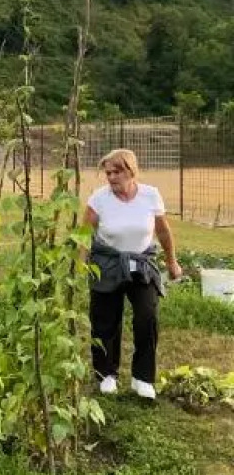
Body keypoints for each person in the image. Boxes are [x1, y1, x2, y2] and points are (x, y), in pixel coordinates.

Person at [82, 148, 183, 400]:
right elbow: (82, 237)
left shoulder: (150, 196)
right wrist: (79, 267)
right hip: (108, 264)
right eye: (108, 173)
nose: (111, 177)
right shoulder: (99, 198)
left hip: (141, 263)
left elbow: (163, 232)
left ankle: (142, 378)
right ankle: (106, 375)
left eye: (117, 172)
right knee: (105, 320)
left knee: (146, 317)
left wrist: (172, 262)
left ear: (131, 171)